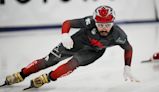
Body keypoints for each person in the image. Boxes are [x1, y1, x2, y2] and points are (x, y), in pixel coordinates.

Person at [2, 5, 139, 89]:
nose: (103, 28)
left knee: (72, 64)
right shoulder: (89, 21)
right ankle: (21, 74)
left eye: (107, 25)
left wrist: (127, 67)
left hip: (93, 52)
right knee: (48, 61)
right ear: (94, 21)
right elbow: (67, 23)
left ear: (113, 23)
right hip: (75, 42)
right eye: (100, 24)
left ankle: (48, 78)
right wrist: (65, 35)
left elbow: (128, 48)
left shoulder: (118, 34)